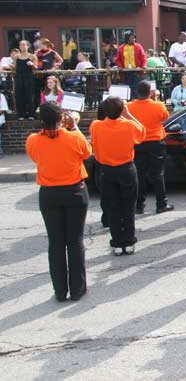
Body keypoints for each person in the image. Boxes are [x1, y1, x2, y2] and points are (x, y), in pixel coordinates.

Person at [25, 103, 91, 301]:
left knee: (55, 243)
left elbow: (35, 157)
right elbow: (87, 153)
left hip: (49, 194)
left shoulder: (32, 140)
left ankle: (60, 291)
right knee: (74, 241)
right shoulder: (74, 137)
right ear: (61, 118)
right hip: (74, 191)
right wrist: (74, 127)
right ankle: (78, 289)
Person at [90, 96, 146, 255]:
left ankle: (117, 242)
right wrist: (128, 115)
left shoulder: (96, 126)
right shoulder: (128, 125)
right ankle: (129, 241)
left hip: (106, 170)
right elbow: (142, 132)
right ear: (122, 110)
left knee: (112, 207)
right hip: (126, 168)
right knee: (128, 207)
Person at [126, 81, 172, 215]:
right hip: (156, 142)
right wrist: (155, 99)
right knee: (158, 174)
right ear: (150, 92)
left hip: (139, 142)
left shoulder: (129, 106)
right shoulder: (158, 105)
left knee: (140, 174)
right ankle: (161, 204)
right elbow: (165, 117)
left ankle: (139, 205)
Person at [13, 40, 38, 119]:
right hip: (19, 77)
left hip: (29, 77)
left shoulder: (32, 56)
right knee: (19, 95)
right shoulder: (16, 56)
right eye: (20, 45)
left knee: (29, 95)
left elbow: (36, 68)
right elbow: (14, 67)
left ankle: (31, 114)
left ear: (28, 46)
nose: (22, 47)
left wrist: (32, 64)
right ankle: (21, 114)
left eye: (24, 45)